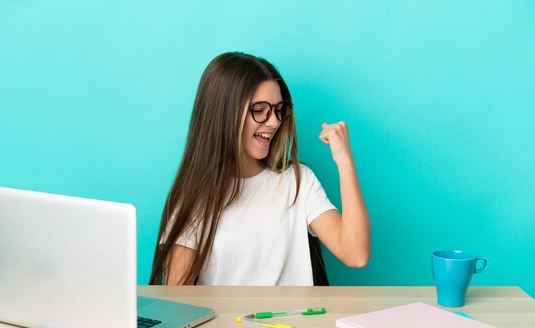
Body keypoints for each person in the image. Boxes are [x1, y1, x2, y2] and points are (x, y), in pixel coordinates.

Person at [149, 52, 370, 286]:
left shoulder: (298, 181)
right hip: (225, 324)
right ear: (225, 114)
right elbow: (177, 297)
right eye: (259, 109)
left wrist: (344, 159)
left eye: (278, 109)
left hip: (292, 322)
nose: (274, 121)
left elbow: (355, 254)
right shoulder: (194, 198)